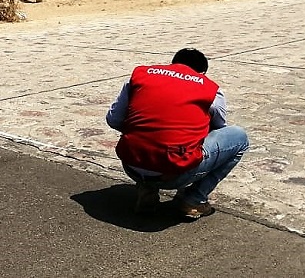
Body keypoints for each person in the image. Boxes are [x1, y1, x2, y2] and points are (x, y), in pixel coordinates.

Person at [106, 48, 249, 219]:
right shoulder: (210, 88)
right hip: (175, 173)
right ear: (202, 72)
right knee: (239, 138)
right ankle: (193, 199)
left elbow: (113, 120)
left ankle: (147, 191)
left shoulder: (140, 75)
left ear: (173, 64)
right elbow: (219, 129)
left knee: (147, 135)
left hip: (131, 164)